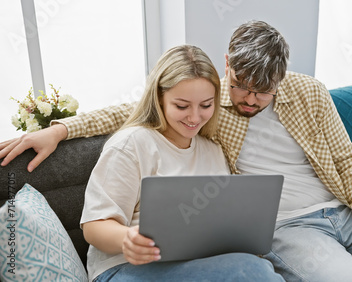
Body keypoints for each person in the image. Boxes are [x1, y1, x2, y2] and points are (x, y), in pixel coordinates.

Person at [0, 21, 352, 281]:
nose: (249, 99)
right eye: (242, 86)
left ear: (283, 78)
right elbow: (136, 110)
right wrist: (60, 129)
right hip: (284, 229)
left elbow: (348, 162)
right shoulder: (209, 106)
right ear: (227, 65)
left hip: (342, 208)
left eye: (264, 91)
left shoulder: (308, 94)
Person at [77, 45, 283, 281]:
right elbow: (95, 225)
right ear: (159, 98)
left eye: (206, 105)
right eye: (182, 106)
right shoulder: (131, 145)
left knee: (255, 267)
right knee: (252, 273)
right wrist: (126, 238)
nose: (195, 118)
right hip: (124, 267)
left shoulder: (213, 151)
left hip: (194, 263)